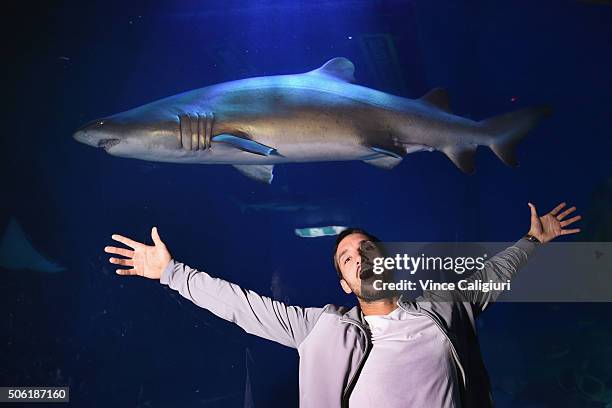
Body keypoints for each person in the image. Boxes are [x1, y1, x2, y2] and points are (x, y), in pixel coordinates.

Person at [104, 201, 581, 408]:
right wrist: (170, 272)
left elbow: (490, 277)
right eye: (349, 257)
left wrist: (532, 242)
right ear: (344, 282)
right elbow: (241, 305)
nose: (361, 258)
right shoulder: (323, 330)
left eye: (368, 249)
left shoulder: (445, 308)